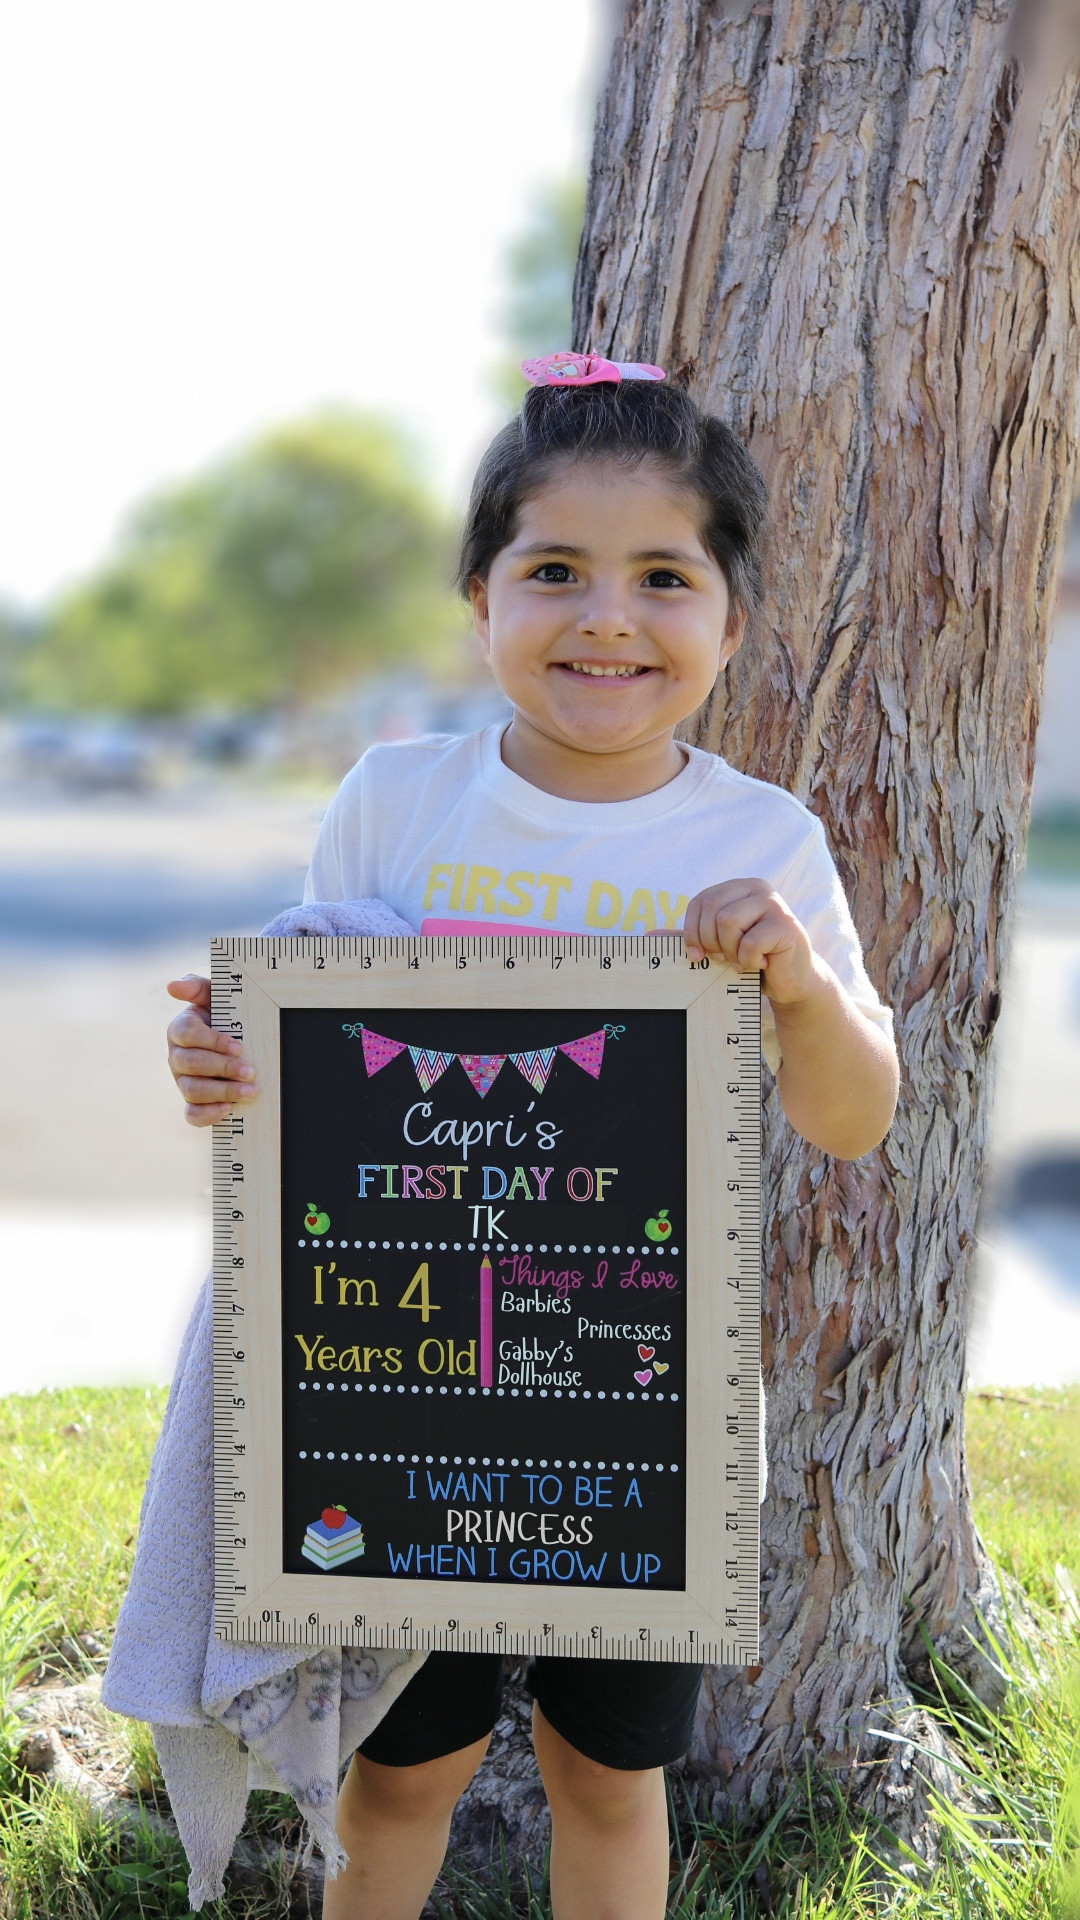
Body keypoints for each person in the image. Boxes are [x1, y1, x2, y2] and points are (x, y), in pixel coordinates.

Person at [164, 351, 899, 1920]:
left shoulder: (762, 839)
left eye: (662, 576)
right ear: (480, 599)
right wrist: (226, 1069)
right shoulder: (398, 798)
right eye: (552, 569)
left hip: (637, 1396)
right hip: (400, 1395)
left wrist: (798, 979)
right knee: (400, 1769)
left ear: (732, 618)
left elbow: (852, 1118)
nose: (607, 617)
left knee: (604, 1775)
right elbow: (303, 1057)